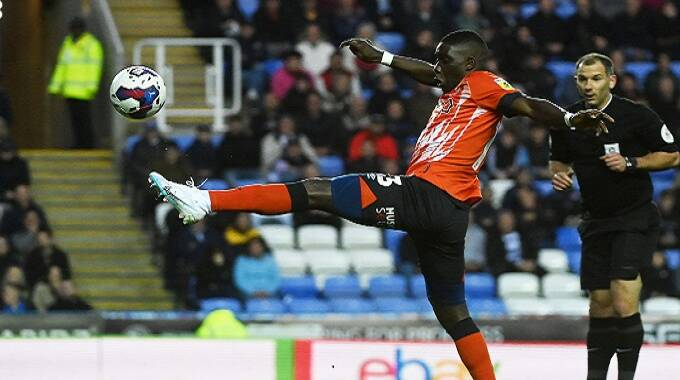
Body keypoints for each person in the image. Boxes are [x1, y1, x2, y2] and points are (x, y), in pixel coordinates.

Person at [149, 30, 610, 379]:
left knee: (314, 191)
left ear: (469, 63)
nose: (437, 69)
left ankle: (204, 199)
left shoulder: (486, 83)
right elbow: (430, 73)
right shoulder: (456, 85)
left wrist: (569, 117)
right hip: (448, 215)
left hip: (429, 195)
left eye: (446, 62)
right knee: (453, 313)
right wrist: (385, 58)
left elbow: (527, 105)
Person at [549, 52, 680, 380]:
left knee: (623, 296)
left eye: (595, 78)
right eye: (582, 79)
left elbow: (673, 155)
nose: (588, 85)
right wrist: (560, 174)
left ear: (611, 80)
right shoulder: (568, 120)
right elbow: (558, 159)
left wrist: (633, 163)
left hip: (634, 216)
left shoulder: (635, 115)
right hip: (595, 221)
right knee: (600, 306)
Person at [48, 17, 104, 149]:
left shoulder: (91, 45)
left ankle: (87, 144)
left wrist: (92, 86)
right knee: (75, 120)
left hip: (84, 91)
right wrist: (55, 86)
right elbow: (61, 66)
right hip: (69, 90)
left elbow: (94, 67)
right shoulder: (67, 44)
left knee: (84, 120)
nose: (75, 32)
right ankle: (79, 144)